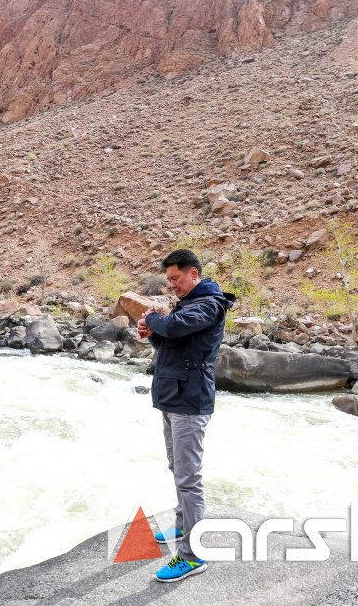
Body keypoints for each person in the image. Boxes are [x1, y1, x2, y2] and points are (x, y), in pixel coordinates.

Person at [137, 249, 235, 582]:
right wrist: (154, 334)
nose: (173, 285)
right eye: (169, 280)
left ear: (193, 274)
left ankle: (192, 556)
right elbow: (172, 345)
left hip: (190, 400)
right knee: (176, 468)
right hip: (173, 396)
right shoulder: (189, 304)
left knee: (188, 478)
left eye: (176, 279)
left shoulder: (209, 304)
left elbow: (176, 326)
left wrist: (153, 319)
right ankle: (182, 525)